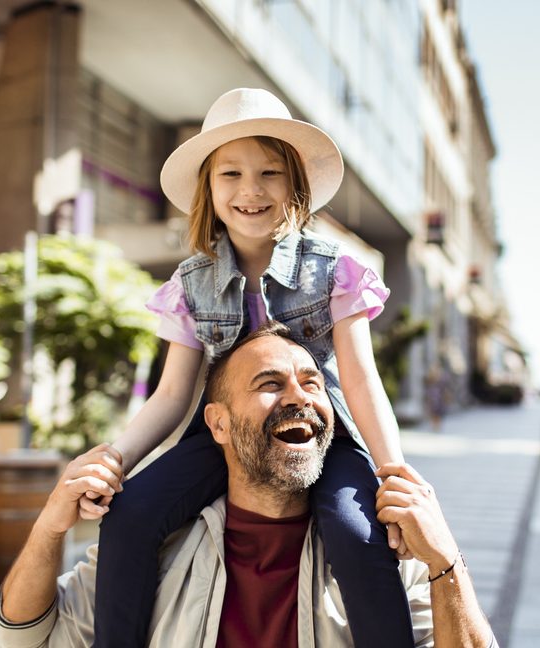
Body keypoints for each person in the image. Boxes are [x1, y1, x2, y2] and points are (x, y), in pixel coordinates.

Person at [89, 88, 414, 647]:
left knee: (358, 533)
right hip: (228, 438)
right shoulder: (189, 285)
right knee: (129, 517)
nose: (250, 191)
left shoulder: (335, 270)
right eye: (231, 174)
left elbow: (361, 380)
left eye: (270, 173)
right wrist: (112, 461)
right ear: (208, 190)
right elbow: (169, 397)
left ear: (295, 184)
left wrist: (395, 476)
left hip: (321, 436)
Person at [0, 322, 496, 647]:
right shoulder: (154, 551)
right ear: (216, 425)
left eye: (314, 383)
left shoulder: (383, 555)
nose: (299, 397)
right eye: (270, 384)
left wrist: (446, 562)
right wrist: (49, 529)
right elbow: (24, 641)